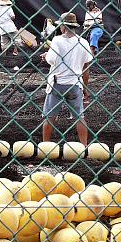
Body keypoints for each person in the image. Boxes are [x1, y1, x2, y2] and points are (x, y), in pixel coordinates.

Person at [40, 12, 92, 146]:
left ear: (63, 27)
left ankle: (46, 145)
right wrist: (85, 88)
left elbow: (51, 59)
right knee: (79, 117)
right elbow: (86, 68)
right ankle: (84, 146)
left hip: (57, 83)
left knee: (49, 117)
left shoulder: (57, 40)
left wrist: (46, 55)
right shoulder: (84, 42)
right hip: (75, 84)